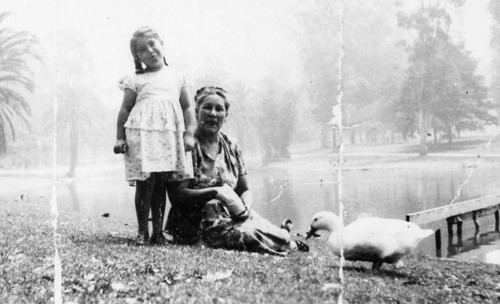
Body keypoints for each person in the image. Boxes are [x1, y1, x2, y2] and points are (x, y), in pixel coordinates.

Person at [165, 86, 308, 255]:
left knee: (273, 233)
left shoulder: (232, 145)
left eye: (219, 109)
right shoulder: (187, 146)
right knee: (248, 236)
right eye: (207, 107)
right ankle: (287, 243)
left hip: (233, 215)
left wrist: (245, 205)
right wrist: (216, 192)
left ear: (225, 116)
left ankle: (284, 238)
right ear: (196, 111)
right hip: (195, 223)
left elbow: (244, 188)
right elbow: (177, 196)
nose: (213, 113)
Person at [114, 26, 196, 245]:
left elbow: (188, 107)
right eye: (142, 50)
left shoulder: (178, 76)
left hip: (168, 137)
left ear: (161, 43)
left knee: (161, 183)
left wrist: (189, 133)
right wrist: (120, 138)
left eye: (152, 44)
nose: (149, 51)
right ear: (137, 57)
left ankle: (158, 232)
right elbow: (124, 110)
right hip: (142, 137)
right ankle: (143, 231)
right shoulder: (135, 79)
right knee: (145, 182)